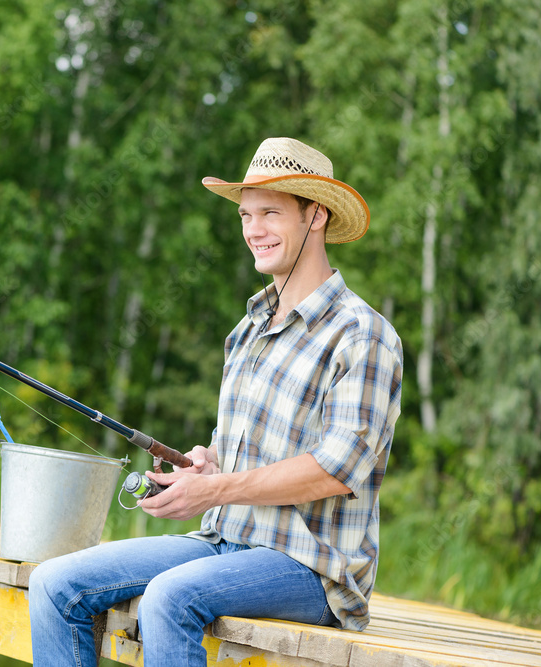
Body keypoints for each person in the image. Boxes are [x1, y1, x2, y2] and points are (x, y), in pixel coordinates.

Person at [28, 137, 404, 666]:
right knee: (53, 582)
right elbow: (241, 461)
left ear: (315, 216)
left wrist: (215, 488)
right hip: (225, 541)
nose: (253, 229)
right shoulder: (246, 331)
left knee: (169, 599)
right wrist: (204, 466)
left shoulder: (363, 335)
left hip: (313, 568)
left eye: (271, 213)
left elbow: (335, 471)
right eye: (247, 214)